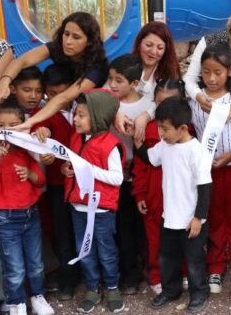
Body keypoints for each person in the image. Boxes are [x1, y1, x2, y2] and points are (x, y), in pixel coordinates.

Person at [190, 44, 231, 293]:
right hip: (207, 171)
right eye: (206, 71)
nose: (211, 78)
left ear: (229, 70)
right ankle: (216, 267)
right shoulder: (195, 100)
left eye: (217, 72)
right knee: (214, 216)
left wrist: (229, 156)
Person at [0, 100, 54, 315]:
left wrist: (30, 174)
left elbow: (39, 181)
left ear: (22, 125)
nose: (6, 130)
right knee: (15, 268)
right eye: (0, 125)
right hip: (4, 219)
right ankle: (16, 302)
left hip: (30, 214)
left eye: (12, 126)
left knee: (36, 263)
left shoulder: (26, 150)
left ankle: (38, 297)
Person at [138, 97, 212, 314]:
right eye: (160, 127)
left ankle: (199, 292)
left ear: (182, 128)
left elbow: (205, 186)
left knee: (195, 259)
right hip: (168, 217)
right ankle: (171, 290)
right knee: (167, 257)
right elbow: (151, 158)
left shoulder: (195, 151)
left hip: (192, 220)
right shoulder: (164, 145)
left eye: (165, 129)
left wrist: (199, 217)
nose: (161, 133)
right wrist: (137, 143)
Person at [0, 12, 111, 133]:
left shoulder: (97, 66)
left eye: (76, 37)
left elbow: (64, 97)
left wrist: (30, 122)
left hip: (89, 115)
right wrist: (4, 83)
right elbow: (22, 61)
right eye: (66, 34)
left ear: (89, 41)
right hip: (61, 108)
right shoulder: (58, 47)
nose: (68, 41)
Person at [62, 89, 125, 313]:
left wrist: (89, 170)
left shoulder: (109, 145)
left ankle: (113, 287)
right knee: (84, 249)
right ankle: (91, 288)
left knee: (106, 251)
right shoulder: (76, 138)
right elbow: (73, 165)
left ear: (97, 118)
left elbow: (117, 178)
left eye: (81, 115)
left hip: (101, 211)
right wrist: (67, 169)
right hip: (78, 207)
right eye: (75, 114)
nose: (75, 119)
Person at [131, 79, 186, 295]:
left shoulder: (186, 129)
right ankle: (157, 274)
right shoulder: (149, 130)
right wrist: (139, 194)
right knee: (155, 238)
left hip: (180, 195)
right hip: (155, 195)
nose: (166, 107)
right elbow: (141, 165)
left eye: (171, 102)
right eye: (161, 102)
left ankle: (182, 273)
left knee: (182, 235)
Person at [106, 54, 154, 294]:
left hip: (142, 174)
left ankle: (149, 269)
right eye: (111, 78)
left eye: (119, 80)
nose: (112, 84)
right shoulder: (107, 102)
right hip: (116, 175)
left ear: (135, 84)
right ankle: (129, 276)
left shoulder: (148, 104)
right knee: (122, 226)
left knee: (143, 225)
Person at [32, 64, 78, 301]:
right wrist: (42, 135)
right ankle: (67, 280)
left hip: (84, 182)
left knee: (84, 229)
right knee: (62, 233)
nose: (57, 98)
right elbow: (41, 131)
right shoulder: (45, 114)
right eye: (51, 94)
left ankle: (91, 276)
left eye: (63, 92)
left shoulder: (84, 107)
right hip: (58, 183)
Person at [128, 21, 182, 142]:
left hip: (151, 138)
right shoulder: (126, 66)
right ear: (139, 43)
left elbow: (170, 101)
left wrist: (147, 115)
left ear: (166, 50)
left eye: (160, 48)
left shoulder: (170, 73)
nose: (153, 52)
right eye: (148, 45)